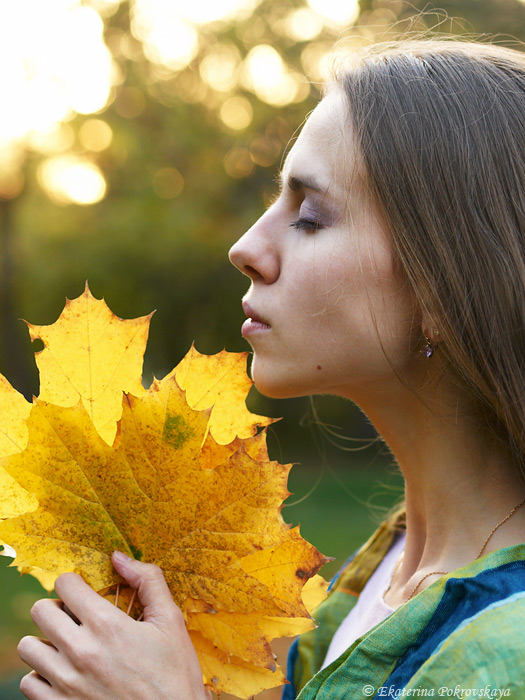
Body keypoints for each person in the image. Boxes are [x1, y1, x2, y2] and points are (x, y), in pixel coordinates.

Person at [17, 38, 525, 700]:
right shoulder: (384, 572)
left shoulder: (503, 657)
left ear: (441, 288)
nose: (246, 248)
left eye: (309, 217)